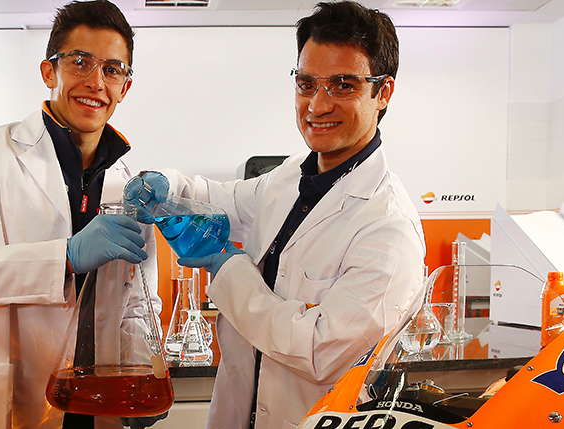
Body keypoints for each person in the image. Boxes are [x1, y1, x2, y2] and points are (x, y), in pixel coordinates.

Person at [125, 2, 426, 428]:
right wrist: (168, 187)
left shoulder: (387, 227)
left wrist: (225, 267)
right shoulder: (290, 177)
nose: (317, 105)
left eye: (343, 85)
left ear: (383, 92)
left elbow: (318, 349)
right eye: (306, 83)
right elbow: (221, 198)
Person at [0, 1, 161, 428]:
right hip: (9, 401)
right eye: (80, 62)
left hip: (101, 404)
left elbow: (138, 301)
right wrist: (63, 257)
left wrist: (144, 377)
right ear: (49, 72)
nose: (96, 81)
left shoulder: (130, 182)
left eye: (113, 69)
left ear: (125, 87)